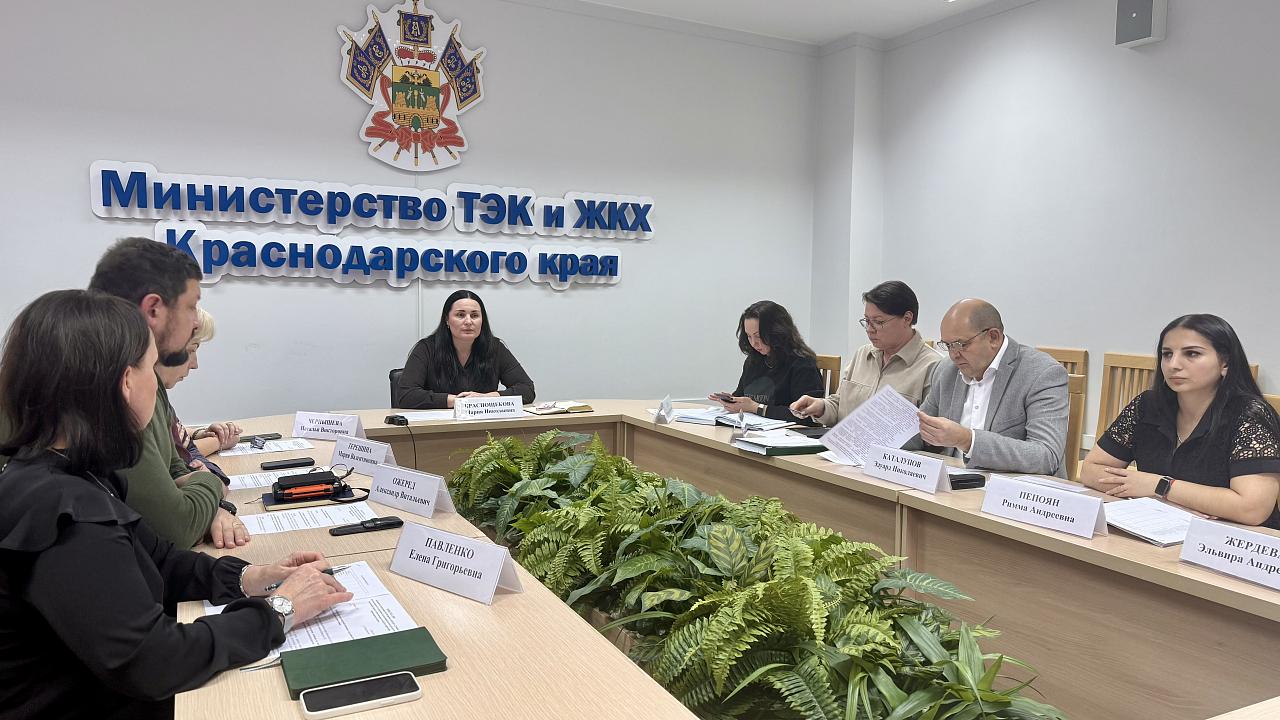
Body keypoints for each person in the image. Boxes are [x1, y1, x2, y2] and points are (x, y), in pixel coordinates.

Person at [0, 290, 352, 720]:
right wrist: (280, 610)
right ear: (125, 382)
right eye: (150, 367)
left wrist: (252, 577)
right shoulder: (67, 512)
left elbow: (159, 561)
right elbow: (153, 661)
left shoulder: (68, 472)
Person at [87, 237, 243, 549]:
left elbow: (175, 468)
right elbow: (176, 528)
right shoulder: (110, 387)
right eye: (191, 306)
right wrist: (211, 481)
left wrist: (193, 494)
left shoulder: (133, 373)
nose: (195, 323)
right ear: (153, 309)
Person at [1082, 315, 1280, 527]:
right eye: (1167, 354)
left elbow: (1252, 509)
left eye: (1192, 353)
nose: (1173, 365)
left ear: (1225, 363)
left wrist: (1161, 486)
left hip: (1232, 540)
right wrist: (1168, 499)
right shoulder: (1148, 405)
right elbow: (1090, 469)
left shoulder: (1250, 414)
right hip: (1160, 528)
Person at [905, 298, 1069, 478]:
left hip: (1014, 489)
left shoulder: (1042, 373)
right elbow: (917, 431)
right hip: (953, 483)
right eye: (948, 346)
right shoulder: (946, 370)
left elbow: (1046, 456)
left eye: (960, 345)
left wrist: (968, 440)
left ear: (993, 337)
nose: (953, 355)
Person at [790, 281, 941, 425]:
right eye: (867, 321)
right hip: (846, 441)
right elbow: (840, 405)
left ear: (907, 319)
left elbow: (931, 431)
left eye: (878, 322)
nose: (869, 329)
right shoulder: (862, 354)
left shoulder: (933, 366)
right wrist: (821, 407)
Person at [394, 290, 536, 409]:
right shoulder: (426, 348)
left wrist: (487, 398)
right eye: (460, 315)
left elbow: (527, 389)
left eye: (474, 315)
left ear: (482, 321)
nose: (468, 321)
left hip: (484, 426)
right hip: (436, 427)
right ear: (447, 320)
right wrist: (457, 401)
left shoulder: (495, 348)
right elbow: (406, 395)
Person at [156, 308, 240, 485]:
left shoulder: (158, 396)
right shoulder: (147, 402)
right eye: (191, 350)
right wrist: (218, 441)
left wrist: (199, 433)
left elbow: (173, 434)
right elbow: (180, 456)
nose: (195, 365)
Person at [709, 301, 823, 422]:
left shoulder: (802, 363)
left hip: (787, 432)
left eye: (758, 336)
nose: (753, 343)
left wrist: (756, 408)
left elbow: (808, 416)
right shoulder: (754, 360)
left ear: (778, 332)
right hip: (752, 428)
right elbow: (742, 395)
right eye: (749, 336)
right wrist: (733, 401)